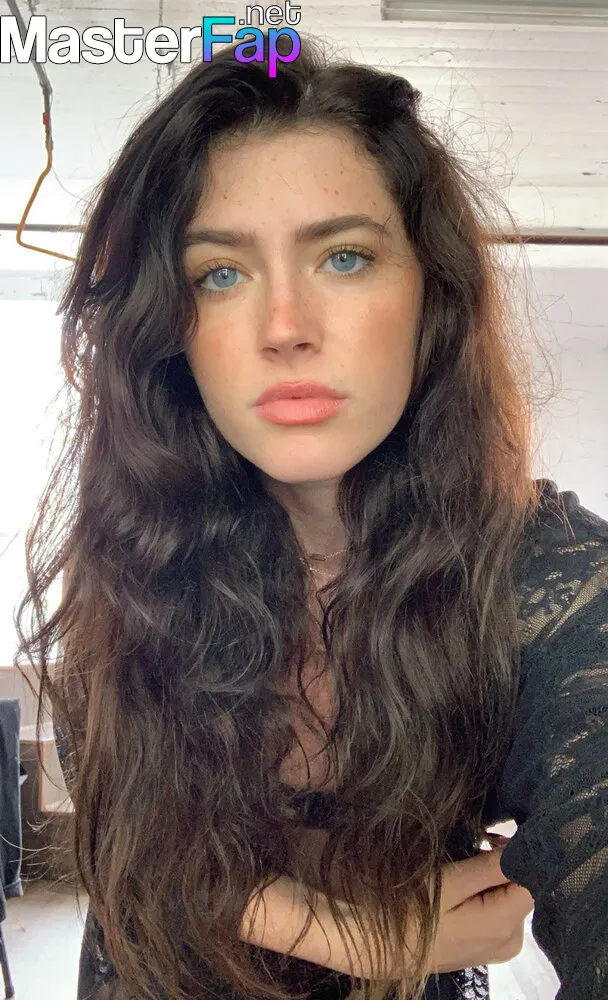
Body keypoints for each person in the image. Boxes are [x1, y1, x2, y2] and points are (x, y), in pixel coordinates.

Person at [14, 30, 607, 1000]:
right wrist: (356, 938)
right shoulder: (137, 543)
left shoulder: (548, 580)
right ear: (171, 333)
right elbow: (130, 821)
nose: (284, 325)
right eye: (219, 273)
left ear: (430, 294)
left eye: (343, 256)